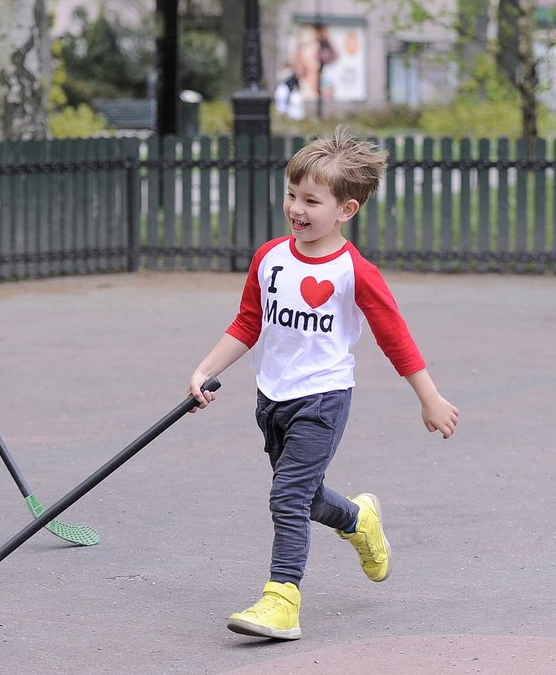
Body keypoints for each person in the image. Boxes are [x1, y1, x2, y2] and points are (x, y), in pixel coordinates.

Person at [187, 129, 459, 641]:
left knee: (286, 497)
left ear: (346, 210)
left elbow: (393, 335)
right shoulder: (270, 258)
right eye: (292, 194)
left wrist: (430, 396)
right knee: (306, 497)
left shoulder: (354, 272)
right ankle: (359, 521)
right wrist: (205, 369)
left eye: (312, 200)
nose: (297, 208)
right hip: (272, 398)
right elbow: (248, 322)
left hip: (323, 399)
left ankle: (281, 601)